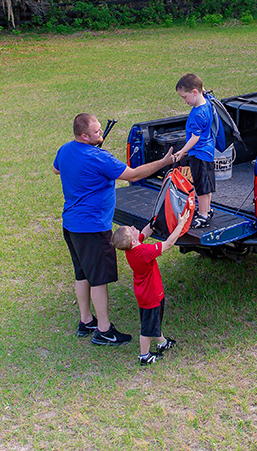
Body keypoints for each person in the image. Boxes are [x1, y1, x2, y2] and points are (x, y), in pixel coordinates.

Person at [53, 113, 177, 346]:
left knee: (82, 274)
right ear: (84, 136)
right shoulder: (100, 158)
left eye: (100, 129)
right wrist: (164, 162)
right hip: (93, 228)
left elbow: (57, 170)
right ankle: (103, 330)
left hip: (71, 224)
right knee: (98, 280)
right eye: (96, 131)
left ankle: (86, 320)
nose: (101, 133)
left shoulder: (65, 150)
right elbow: (134, 174)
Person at [112, 211, 189, 365]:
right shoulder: (144, 252)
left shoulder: (131, 248)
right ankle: (144, 356)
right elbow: (169, 244)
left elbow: (144, 234)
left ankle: (162, 342)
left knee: (154, 320)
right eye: (131, 229)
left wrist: (153, 223)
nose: (133, 227)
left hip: (146, 294)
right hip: (151, 296)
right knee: (146, 329)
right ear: (133, 241)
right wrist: (180, 224)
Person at [173, 73, 215, 228]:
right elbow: (202, 89)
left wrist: (182, 151)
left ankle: (203, 215)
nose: (184, 101)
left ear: (194, 92)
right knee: (207, 184)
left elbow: (194, 138)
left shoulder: (198, 114)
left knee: (201, 186)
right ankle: (208, 210)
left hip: (199, 153)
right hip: (208, 152)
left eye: (185, 97)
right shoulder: (207, 102)